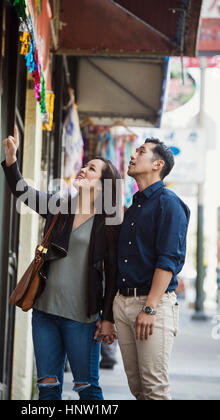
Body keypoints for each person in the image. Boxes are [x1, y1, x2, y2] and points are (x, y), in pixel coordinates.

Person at [2, 126, 121, 400]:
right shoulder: (61, 207)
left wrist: (108, 319)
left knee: (87, 389)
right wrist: (11, 160)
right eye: (85, 165)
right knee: (47, 388)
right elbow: (23, 193)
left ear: (102, 185)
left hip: (82, 319)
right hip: (44, 312)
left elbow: (113, 276)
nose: (83, 170)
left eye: (92, 169)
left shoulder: (110, 224)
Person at [113, 138, 190, 400]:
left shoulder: (169, 203)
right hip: (123, 304)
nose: (133, 156)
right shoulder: (135, 206)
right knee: (139, 389)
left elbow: (168, 260)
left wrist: (150, 307)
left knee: (154, 389)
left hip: (151, 304)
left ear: (158, 164)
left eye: (141, 152)